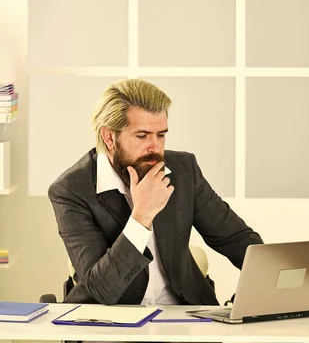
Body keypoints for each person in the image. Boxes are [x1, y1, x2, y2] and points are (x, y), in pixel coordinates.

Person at [48, 78, 263, 306]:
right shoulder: (71, 191)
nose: (156, 147)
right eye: (142, 136)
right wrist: (141, 218)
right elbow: (102, 289)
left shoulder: (183, 170)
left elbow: (235, 238)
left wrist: (262, 286)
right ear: (109, 137)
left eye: (161, 135)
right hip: (112, 322)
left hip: (184, 318)